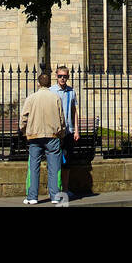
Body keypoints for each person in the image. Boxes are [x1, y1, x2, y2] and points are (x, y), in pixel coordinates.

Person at [19, 72, 67, 205]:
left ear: (38, 83)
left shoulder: (31, 98)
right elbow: (62, 119)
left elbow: (23, 118)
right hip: (52, 136)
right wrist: (61, 134)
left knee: (33, 166)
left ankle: (32, 197)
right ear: (49, 83)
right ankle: (55, 197)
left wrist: (24, 131)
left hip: (35, 136)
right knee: (54, 167)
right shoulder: (55, 97)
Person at [51, 65, 79, 199]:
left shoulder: (71, 91)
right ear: (56, 76)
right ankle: (56, 190)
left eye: (65, 76)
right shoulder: (51, 91)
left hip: (68, 131)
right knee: (55, 162)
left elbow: (74, 111)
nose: (62, 78)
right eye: (60, 76)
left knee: (67, 162)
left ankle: (66, 189)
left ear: (68, 77)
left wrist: (76, 130)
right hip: (56, 132)